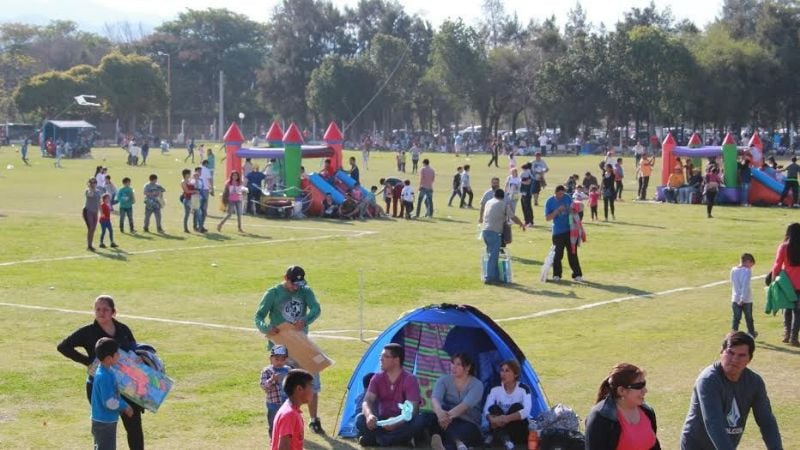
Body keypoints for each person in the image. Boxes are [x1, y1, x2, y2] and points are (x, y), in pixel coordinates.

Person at [57, 295, 144, 450]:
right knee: (105, 430)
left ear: (113, 312)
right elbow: (63, 346)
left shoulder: (123, 329)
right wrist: (88, 362)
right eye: (98, 309)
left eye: (105, 309)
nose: (101, 312)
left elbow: (134, 350)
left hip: (127, 386)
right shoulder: (87, 332)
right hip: (101, 386)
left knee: (134, 428)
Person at [680, 332, 782, 450]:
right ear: (721, 352)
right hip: (697, 446)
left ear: (749, 359)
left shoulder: (754, 382)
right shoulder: (708, 380)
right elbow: (713, 423)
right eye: (730, 353)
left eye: (741, 355)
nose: (734, 359)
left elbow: (766, 421)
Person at [254, 266, 325, 435]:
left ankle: (314, 421)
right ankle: (283, 423)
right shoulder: (273, 293)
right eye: (294, 283)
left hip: (302, 345)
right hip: (280, 349)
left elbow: (316, 309)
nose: (296, 287)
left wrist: (306, 319)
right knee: (282, 388)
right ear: (285, 278)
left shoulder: (306, 291)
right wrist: (266, 328)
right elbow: (258, 317)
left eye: (299, 284)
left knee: (311, 383)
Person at [356, 343, 425, 447]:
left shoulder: (410, 379)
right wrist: (369, 415)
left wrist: (396, 423)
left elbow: (413, 409)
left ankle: (377, 440)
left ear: (396, 360)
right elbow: (367, 400)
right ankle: (395, 440)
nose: (381, 359)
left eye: (385, 356)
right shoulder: (377, 378)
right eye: (381, 356)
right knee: (360, 419)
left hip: (402, 422)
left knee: (420, 420)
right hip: (381, 422)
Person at [585, 363, 659, 450]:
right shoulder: (600, 418)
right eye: (639, 386)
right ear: (621, 391)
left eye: (644, 384)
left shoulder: (647, 411)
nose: (645, 390)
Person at [424, 353, 484, 450]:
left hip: (468, 422)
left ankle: (441, 438)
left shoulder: (477, 385)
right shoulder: (443, 380)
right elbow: (435, 399)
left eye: (458, 364)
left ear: (468, 367)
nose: (453, 367)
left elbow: (465, 406)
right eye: (452, 363)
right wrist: (440, 413)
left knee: (454, 429)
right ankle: (454, 443)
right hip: (446, 419)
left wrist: (445, 417)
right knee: (431, 416)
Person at [90, 338, 134, 450]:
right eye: (117, 354)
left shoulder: (106, 371)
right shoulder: (104, 376)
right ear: (109, 358)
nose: (119, 356)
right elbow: (109, 402)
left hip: (103, 420)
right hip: (104, 422)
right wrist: (125, 406)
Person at [482, 360, 532, 449]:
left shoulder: (524, 389)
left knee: (517, 407)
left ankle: (497, 437)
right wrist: (492, 419)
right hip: (498, 424)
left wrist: (506, 418)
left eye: (507, 371)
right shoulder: (495, 388)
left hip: (517, 429)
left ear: (515, 374)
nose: (503, 374)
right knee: (493, 408)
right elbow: (486, 409)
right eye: (502, 370)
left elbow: (526, 411)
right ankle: (507, 441)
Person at [481, 189, 525, 284]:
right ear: (503, 197)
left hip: (485, 231)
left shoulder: (489, 202)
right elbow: (512, 216)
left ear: (494, 195)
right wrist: (521, 223)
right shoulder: (503, 204)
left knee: (492, 255)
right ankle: (489, 278)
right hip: (494, 232)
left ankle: (496, 277)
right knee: (493, 256)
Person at [545, 185, 583, 282]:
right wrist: (557, 211)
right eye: (560, 193)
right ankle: (557, 275)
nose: (562, 195)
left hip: (569, 231)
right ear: (556, 193)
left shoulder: (567, 197)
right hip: (557, 232)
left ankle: (577, 275)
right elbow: (547, 218)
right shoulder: (550, 201)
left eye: (563, 193)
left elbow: (573, 209)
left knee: (573, 253)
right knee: (558, 255)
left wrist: (572, 210)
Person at [771, 222, 800, 346]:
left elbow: (777, 265)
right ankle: (794, 337)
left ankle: (786, 334)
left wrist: (773, 280)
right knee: (798, 312)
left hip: (786, 283)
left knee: (787, 309)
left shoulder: (783, 247)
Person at [271, 369, 315, 450]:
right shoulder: (289, 414)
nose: (313, 391)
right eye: (311, 386)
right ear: (299, 389)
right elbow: (283, 447)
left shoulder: (293, 410)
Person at [261, 345, 292, 438]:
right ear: (271, 359)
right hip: (273, 403)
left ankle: (286, 439)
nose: (279, 362)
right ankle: (273, 441)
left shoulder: (288, 370)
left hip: (287, 403)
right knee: (273, 423)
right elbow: (264, 386)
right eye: (276, 359)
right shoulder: (267, 371)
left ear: (286, 359)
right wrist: (272, 380)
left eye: (282, 359)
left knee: (287, 423)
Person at [731, 253, 757, 338]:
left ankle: (733, 335)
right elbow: (745, 285)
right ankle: (751, 333)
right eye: (751, 265)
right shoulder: (747, 271)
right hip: (746, 299)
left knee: (736, 318)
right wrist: (742, 298)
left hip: (735, 298)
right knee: (749, 318)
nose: (751, 267)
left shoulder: (733, 270)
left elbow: (734, 284)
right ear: (747, 261)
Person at [83, 178, 101, 251]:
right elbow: (90, 194)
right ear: (89, 183)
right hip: (88, 211)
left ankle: (90, 245)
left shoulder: (98, 191)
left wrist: (101, 212)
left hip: (95, 212)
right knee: (90, 228)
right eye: (91, 182)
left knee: (93, 229)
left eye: (94, 182)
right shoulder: (87, 191)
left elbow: (99, 202)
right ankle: (89, 245)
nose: (93, 184)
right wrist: (90, 187)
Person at [519, 163, 534, 227]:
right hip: (523, 193)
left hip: (527, 193)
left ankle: (530, 222)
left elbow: (528, 182)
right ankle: (526, 221)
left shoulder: (529, 174)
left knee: (527, 207)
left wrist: (520, 180)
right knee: (523, 207)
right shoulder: (525, 174)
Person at [180, 169, 194, 233]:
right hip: (187, 199)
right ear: (185, 174)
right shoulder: (183, 182)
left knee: (195, 213)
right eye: (189, 173)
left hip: (192, 199)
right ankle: (185, 228)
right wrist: (195, 191)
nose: (190, 175)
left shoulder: (189, 181)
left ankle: (195, 226)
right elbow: (187, 191)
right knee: (187, 214)